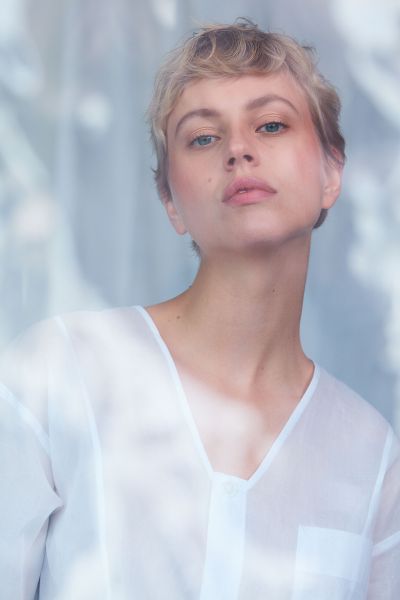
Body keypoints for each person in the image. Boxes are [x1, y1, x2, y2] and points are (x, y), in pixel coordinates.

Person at [1, 19, 399, 600]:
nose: (240, 149)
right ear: (170, 202)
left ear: (332, 172)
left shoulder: (372, 453)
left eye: (271, 124)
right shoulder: (59, 373)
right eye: (204, 138)